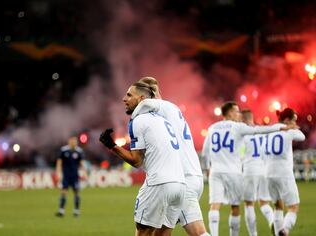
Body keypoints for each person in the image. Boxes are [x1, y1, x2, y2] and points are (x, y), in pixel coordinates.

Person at [99, 81, 185, 236]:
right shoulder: (163, 119)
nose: (124, 99)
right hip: (179, 184)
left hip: (159, 183)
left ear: (141, 99)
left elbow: (137, 161)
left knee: (143, 231)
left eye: (129, 95)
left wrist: (112, 146)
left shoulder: (139, 119)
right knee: (163, 234)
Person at [201, 101, 297, 236]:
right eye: (236, 111)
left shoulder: (212, 128)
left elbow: (205, 153)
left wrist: (207, 168)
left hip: (216, 171)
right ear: (229, 113)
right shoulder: (238, 127)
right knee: (235, 207)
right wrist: (281, 127)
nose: (238, 114)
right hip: (234, 171)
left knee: (215, 205)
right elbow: (259, 130)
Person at [132, 76, 210, 236]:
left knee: (199, 233)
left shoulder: (158, 108)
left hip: (182, 178)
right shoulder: (172, 110)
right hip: (191, 175)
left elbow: (145, 103)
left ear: (149, 93)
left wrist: (133, 118)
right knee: (161, 233)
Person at [264, 108, 305, 236]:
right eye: (294, 120)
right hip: (284, 173)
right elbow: (302, 137)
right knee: (293, 207)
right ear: (287, 120)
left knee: (278, 206)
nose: (295, 123)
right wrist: (292, 127)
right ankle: (284, 230)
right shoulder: (289, 130)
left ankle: (277, 233)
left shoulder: (269, 130)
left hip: (269, 173)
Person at [241, 110, 274, 236]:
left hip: (250, 170)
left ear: (243, 120)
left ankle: (253, 234)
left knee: (249, 204)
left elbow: (240, 154)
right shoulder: (263, 132)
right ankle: (272, 222)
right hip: (264, 170)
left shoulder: (243, 134)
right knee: (264, 202)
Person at [55, 135, 87, 217]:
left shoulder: (79, 151)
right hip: (66, 175)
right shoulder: (64, 150)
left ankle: (76, 210)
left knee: (76, 192)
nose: (74, 142)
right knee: (64, 192)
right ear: (69, 141)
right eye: (73, 141)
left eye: (75, 141)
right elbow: (59, 162)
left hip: (75, 176)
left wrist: (85, 173)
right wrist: (58, 173)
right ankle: (61, 210)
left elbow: (82, 163)